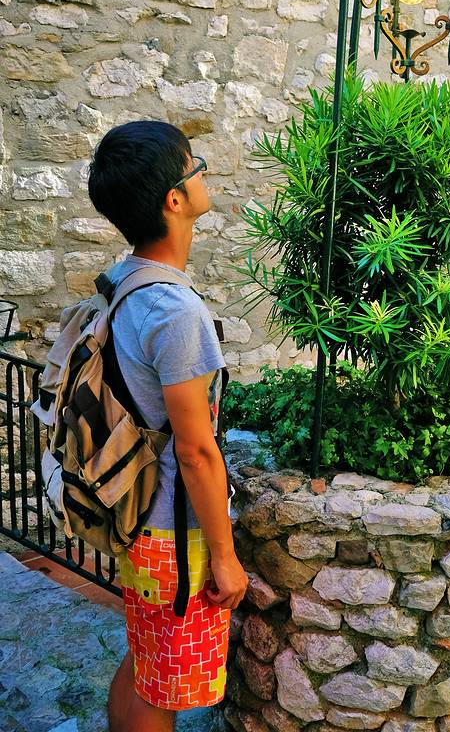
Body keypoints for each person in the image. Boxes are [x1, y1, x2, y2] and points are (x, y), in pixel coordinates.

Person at [87, 119, 248, 732]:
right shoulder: (176, 311)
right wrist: (224, 559)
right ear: (174, 201)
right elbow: (196, 452)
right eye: (194, 165)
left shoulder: (126, 280)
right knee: (163, 691)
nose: (204, 172)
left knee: (145, 661)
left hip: (137, 520)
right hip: (174, 535)